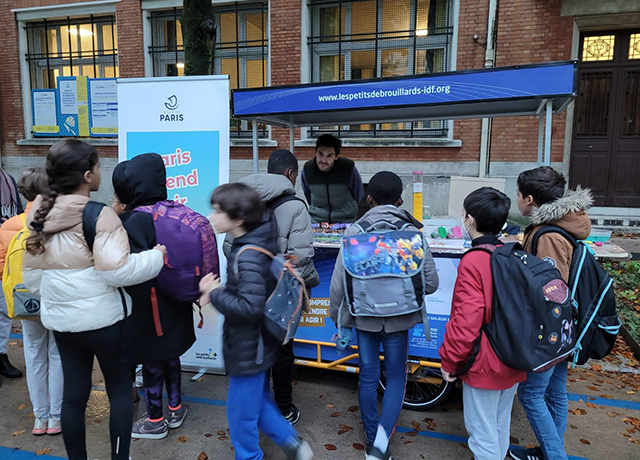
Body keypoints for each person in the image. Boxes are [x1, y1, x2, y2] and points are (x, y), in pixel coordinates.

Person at [22, 139, 166, 460]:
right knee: (118, 392)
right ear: (88, 175)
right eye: (99, 166)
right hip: (105, 323)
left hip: (62, 324)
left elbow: (31, 278)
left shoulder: (39, 215)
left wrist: (61, 296)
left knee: (73, 397)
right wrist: (155, 258)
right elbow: (117, 272)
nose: (102, 172)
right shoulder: (100, 215)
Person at [199, 183, 313, 460]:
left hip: (248, 347)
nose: (211, 217)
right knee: (257, 403)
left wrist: (214, 293)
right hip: (259, 344)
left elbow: (250, 307)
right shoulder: (257, 243)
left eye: (217, 211)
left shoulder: (247, 254)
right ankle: (294, 446)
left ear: (238, 219)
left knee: (240, 416)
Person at [329, 171, 439, 460]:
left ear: (369, 199)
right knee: (396, 378)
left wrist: (340, 325)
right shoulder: (413, 233)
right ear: (400, 200)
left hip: (363, 318)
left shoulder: (355, 233)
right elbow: (432, 283)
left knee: (367, 377)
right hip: (400, 320)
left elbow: (338, 287)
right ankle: (379, 445)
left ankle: (369, 438)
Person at [225, 149, 319, 424]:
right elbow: (300, 257)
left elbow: (230, 248)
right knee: (281, 350)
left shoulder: (241, 200)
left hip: (248, 294)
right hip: (279, 296)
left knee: (255, 352)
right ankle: (284, 408)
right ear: (291, 174)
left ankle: (256, 408)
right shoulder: (296, 207)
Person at [509, 167, 592, 460]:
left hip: (549, 329)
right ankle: (548, 452)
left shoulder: (548, 236)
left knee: (530, 396)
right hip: (564, 327)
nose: (516, 200)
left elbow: (550, 289)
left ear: (530, 199)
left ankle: (555, 456)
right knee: (554, 393)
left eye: (518, 195)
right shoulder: (563, 224)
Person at [439, 187, 526, 460]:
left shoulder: (474, 261)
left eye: (464, 215)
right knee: (499, 428)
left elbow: (466, 322)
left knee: (482, 435)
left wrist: (450, 361)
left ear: (471, 220)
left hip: (485, 363)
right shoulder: (511, 253)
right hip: (514, 355)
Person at [112, 153, 195, 439]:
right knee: (171, 357)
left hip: (150, 309)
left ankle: (155, 420)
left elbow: (130, 270)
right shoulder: (172, 211)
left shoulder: (135, 221)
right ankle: (175, 408)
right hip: (177, 301)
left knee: (151, 363)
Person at [0, 167, 63, 435]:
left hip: (24, 300)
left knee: (34, 354)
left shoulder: (9, 225)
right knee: (56, 355)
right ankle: (57, 418)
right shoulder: (58, 223)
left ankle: (40, 418)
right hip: (55, 297)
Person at [301, 134, 364, 223]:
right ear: (315, 152)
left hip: (345, 221)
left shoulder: (348, 168)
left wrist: (348, 208)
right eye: (320, 154)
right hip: (317, 222)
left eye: (329, 155)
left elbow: (358, 193)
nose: (323, 160)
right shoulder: (308, 169)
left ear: (336, 156)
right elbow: (307, 194)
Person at [0, 167, 25, 380]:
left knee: (4, 309)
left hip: (4, 254)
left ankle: (1, 355)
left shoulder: (7, 179)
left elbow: (16, 214)